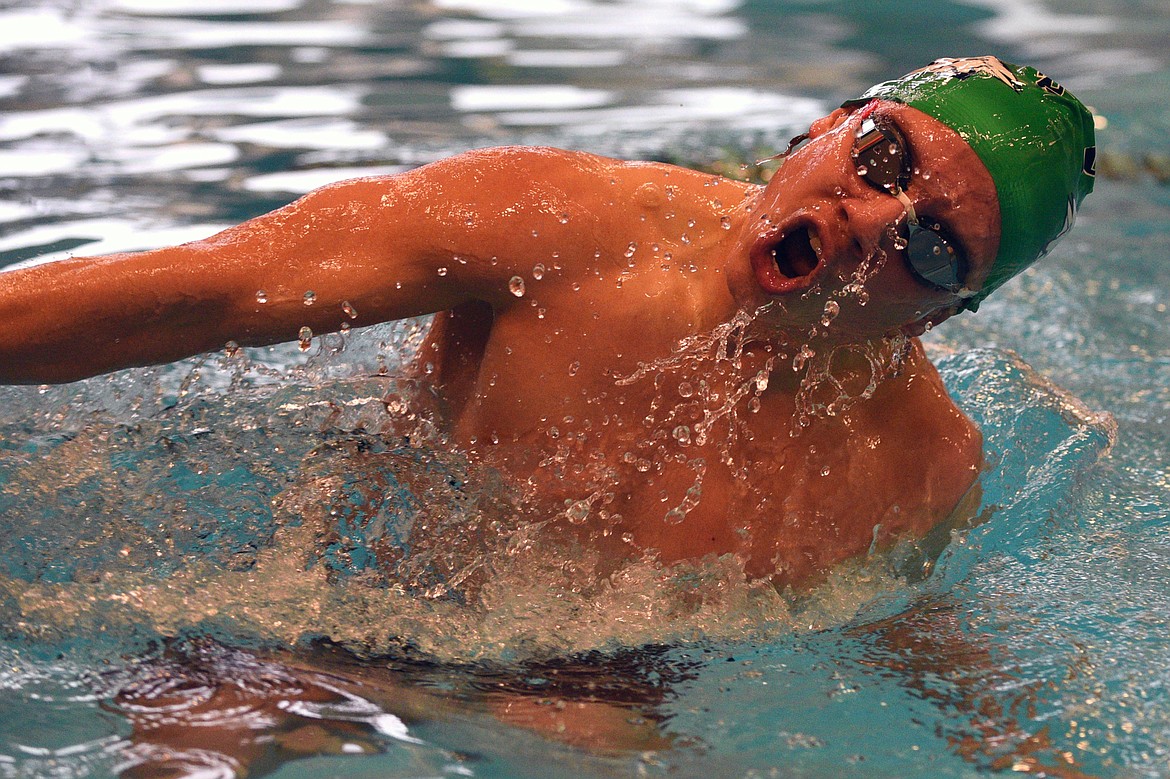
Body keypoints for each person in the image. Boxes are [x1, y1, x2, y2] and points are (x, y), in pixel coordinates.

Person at [0, 56, 1095, 589]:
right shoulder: (553, 226)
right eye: (884, 160)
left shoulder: (921, 463)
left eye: (936, 246)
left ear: (939, 321)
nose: (870, 223)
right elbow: (206, 290)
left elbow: (901, 628)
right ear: (823, 127)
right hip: (356, 603)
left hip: (615, 700)